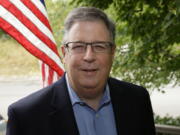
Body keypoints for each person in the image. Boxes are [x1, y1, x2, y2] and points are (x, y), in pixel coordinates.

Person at [6, 7, 156, 135]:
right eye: (78, 46)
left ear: (112, 52)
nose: (89, 56)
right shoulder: (26, 117)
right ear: (64, 54)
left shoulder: (137, 100)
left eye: (99, 46)